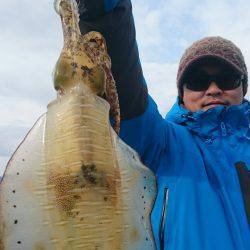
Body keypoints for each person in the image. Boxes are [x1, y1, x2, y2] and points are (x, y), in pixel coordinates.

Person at [78, 0, 250, 249]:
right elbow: (124, 91)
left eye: (227, 78)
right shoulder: (161, 144)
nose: (213, 89)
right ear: (182, 93)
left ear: (242, 87)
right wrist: (102, 13)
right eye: (198, 81)